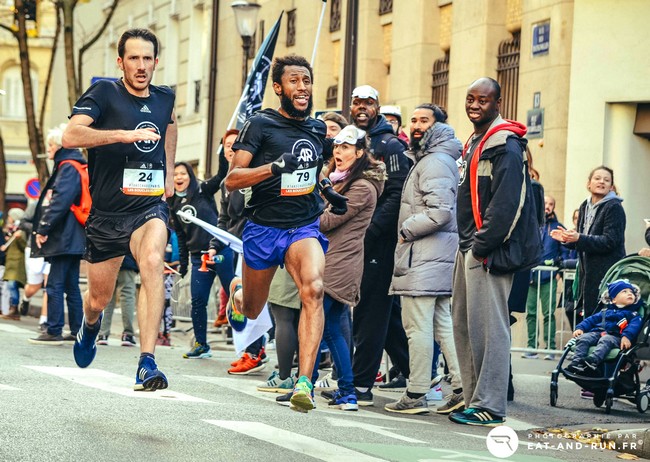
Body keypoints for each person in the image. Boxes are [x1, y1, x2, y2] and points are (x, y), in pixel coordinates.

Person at [224, 54, 348, 413]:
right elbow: (233, 180)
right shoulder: (259, 124)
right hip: (264, 227)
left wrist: (327, 190)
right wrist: (274, 167)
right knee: (251, 310)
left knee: (314, 289)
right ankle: (238, 293)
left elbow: (311, 171)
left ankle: (304, 383)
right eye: (294, 81)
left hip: (302, 225)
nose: (302, 87)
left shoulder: (316, 129)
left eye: (306, 80)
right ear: (278, 87)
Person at [62, 28, 177, 391]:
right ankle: (90, 325)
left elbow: (169, 125)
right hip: (108, 214)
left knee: (153, 262)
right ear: (120, 62)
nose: (141, 66)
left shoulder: (164, 97)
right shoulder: (104, 93)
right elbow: (71, 136)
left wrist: (170, 172)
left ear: (156, 62)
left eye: (147, 59)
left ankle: (147, 361)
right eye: (134, 58)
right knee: (98, 298)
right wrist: (122, 134)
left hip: (148, 206)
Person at [449, 77, 541, 427]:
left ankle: (490, 405)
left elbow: (507, 204)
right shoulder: (475, 140)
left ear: (498, 102)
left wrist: (481, 246)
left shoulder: (506, 144)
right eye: (470, 98)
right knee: (464, 325)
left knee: (490, 328)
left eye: (483, 100)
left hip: (488, 250)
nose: (475, 105)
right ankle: (474, 398)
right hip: (470, 245)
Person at [385, 104, 464, 415]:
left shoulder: (433, 162)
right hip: (433, 258)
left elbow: (441, 212)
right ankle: (460, 385)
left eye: (424, 120)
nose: (416, 125)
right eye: (414, 120)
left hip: (424, 257)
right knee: (442, 324)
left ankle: (416, 391)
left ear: (438, 125)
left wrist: (406, 230)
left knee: (417, 326)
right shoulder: (433, 159)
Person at [312, 124, 386, 411]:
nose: (338, 151)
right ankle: (335, 388)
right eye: (337, 146)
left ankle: (346, 391)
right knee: (334, 328)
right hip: (330, 259)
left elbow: (327, 220)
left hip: (340, 264)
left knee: (328, 327)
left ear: (359, 152)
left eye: (346, 147)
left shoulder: (362, 187)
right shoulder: (336, 179)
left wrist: (308, 205)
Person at [348, 84, 411, 406]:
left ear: (378, 107)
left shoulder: (391, 146)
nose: (362, 107)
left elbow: (398, 194)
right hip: (358, 242)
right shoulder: (355, 141)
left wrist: (369, 231)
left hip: (380, 244)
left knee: (371, 315)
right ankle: (421, 373)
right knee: (384, 318)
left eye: (368, 103)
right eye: (357, 102)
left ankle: (360, 385)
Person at [169, 161, 235, 359]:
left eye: (183, 173)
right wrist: (183, 264)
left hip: (222, 251)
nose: (179, 177)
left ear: (190, 176)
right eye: (175, 174)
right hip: (199, 258)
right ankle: (201, 344)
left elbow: (221, 173)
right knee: (197, 301)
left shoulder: (202, 190)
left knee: (236, 297)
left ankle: (253, 346)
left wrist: (223, 152)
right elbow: (181, 237)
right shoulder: (173, 204)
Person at [27, 125, 85, 344]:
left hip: (64, 235)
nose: (49, 150)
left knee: (55, 284)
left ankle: (53, 330)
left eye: (51, 145)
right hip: (74, 234)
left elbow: (60, 201)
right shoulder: (75, 164)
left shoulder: (68, 167)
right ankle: (77, 331)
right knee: (71, 285)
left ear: (61, 146)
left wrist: (43, 228)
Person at [550, 166, 626, 321]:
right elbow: (582, 240)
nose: (601, 182)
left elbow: (610, 241)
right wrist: (566, 239)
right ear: (589, 184)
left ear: (611, 186)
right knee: (587, 322)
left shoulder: (614, 207)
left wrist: (578, 238)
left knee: (602, 324)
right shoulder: (585, 206)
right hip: (587, 276)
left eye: (606, 180)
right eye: (597, 178)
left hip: (607, 276)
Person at [566, 279, 642, 374]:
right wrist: (580, 328)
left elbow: (633, 327)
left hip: (616, 337)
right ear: (614, 299)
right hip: (598, 333)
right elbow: (590, 320)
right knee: (583, 338)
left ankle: (593, 360)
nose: (630, 294)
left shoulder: (633, 314)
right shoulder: (605, 312)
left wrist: (626, 336)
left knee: (606, 339)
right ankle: (577, 362)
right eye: (624, 292)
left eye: (631, 292)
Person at [522, 195, 565, 360]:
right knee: (530, 313)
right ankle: (531, 347)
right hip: (531, 277)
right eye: (545, 203)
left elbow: (565, 251)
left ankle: (550, 348)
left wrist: (559, 271)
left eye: (551, 204)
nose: (547, 206)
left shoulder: (558, 227)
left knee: (549, 314)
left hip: (549, 277)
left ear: (554, 207)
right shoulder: (531, 225)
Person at [96, 255, 139, 346]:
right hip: (127, 259)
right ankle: (128, 335)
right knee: (127, 295)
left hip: (108, 259)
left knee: (107, 296)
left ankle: (103, 333)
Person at [1, 208, 26, 321]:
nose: (9, 218)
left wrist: (19, 238)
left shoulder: (21, 231)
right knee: (10, 286)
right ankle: (12, 308)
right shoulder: (11, 230)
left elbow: (25, 246)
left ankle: (14, 308)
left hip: (17, 263)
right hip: (10, 262)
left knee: (12, 285)